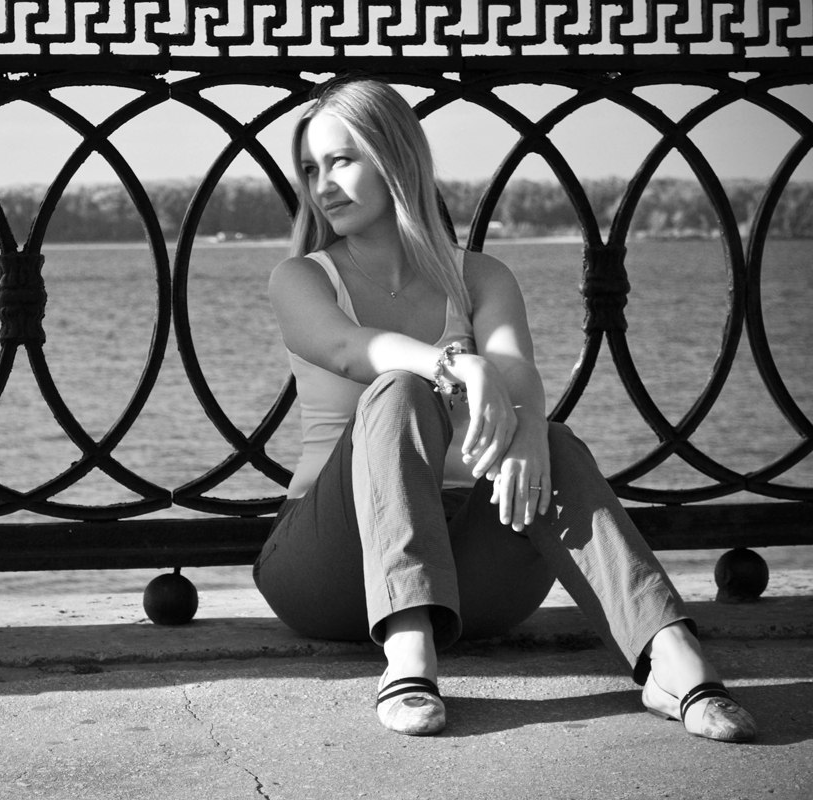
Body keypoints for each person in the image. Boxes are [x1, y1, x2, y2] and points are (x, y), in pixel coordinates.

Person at [253, 76, 757, 742]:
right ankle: (407, 658)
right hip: (327, 566)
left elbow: (519, 378)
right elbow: (351, 350)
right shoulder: (301, 278)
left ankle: (671, 659)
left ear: (394, 159)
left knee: (553, 439)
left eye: (341, 161)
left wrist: (525, 427)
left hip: (468, 586)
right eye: (311, 169)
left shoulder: (481, 277)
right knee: (400, 388)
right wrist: (455, 363)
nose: (323, 185)